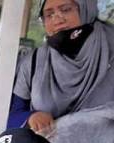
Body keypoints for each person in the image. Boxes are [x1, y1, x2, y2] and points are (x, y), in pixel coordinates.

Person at [10, 0, 114, 132]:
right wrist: (31, 117)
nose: (57, 19)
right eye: (49, 14)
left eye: (66, 10)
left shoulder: (110, 51)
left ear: (86, 10)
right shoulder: (34, 63)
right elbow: (12, 115)